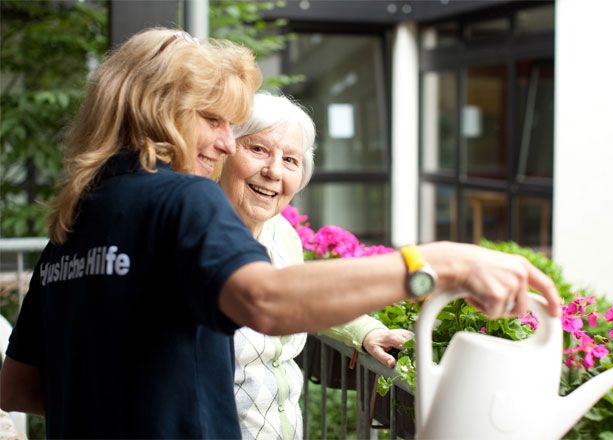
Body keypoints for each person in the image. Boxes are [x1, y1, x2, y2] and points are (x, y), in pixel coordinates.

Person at [0, 28, 562, 439]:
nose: (225, 144)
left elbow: (19, 386)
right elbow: (265, 300)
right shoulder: (181, 197)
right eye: (213, 120)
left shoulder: (74, 222)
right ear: (157, 110)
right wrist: (438, 263)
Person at [219, 92, 411, 439]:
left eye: (290, 159)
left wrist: (364, 331)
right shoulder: (196, 234)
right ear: (223, 150)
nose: (274, 171)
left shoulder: (283, 234)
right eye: (258, 149)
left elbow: (300, 298)